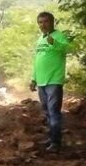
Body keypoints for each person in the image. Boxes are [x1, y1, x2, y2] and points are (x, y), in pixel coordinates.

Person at [29, 12, 70, 153]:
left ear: (53, 22)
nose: (43, 25)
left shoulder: (59, 36)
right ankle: (51, 138)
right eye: (40, 22)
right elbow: (37, 61)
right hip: (41, 82)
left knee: (54, 111)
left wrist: (55, 43)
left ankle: (56, 142)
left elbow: (68, 49)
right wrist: (33, 79)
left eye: (46, 21)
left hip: (54, 80)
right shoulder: (40, 39)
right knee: (47, 111)